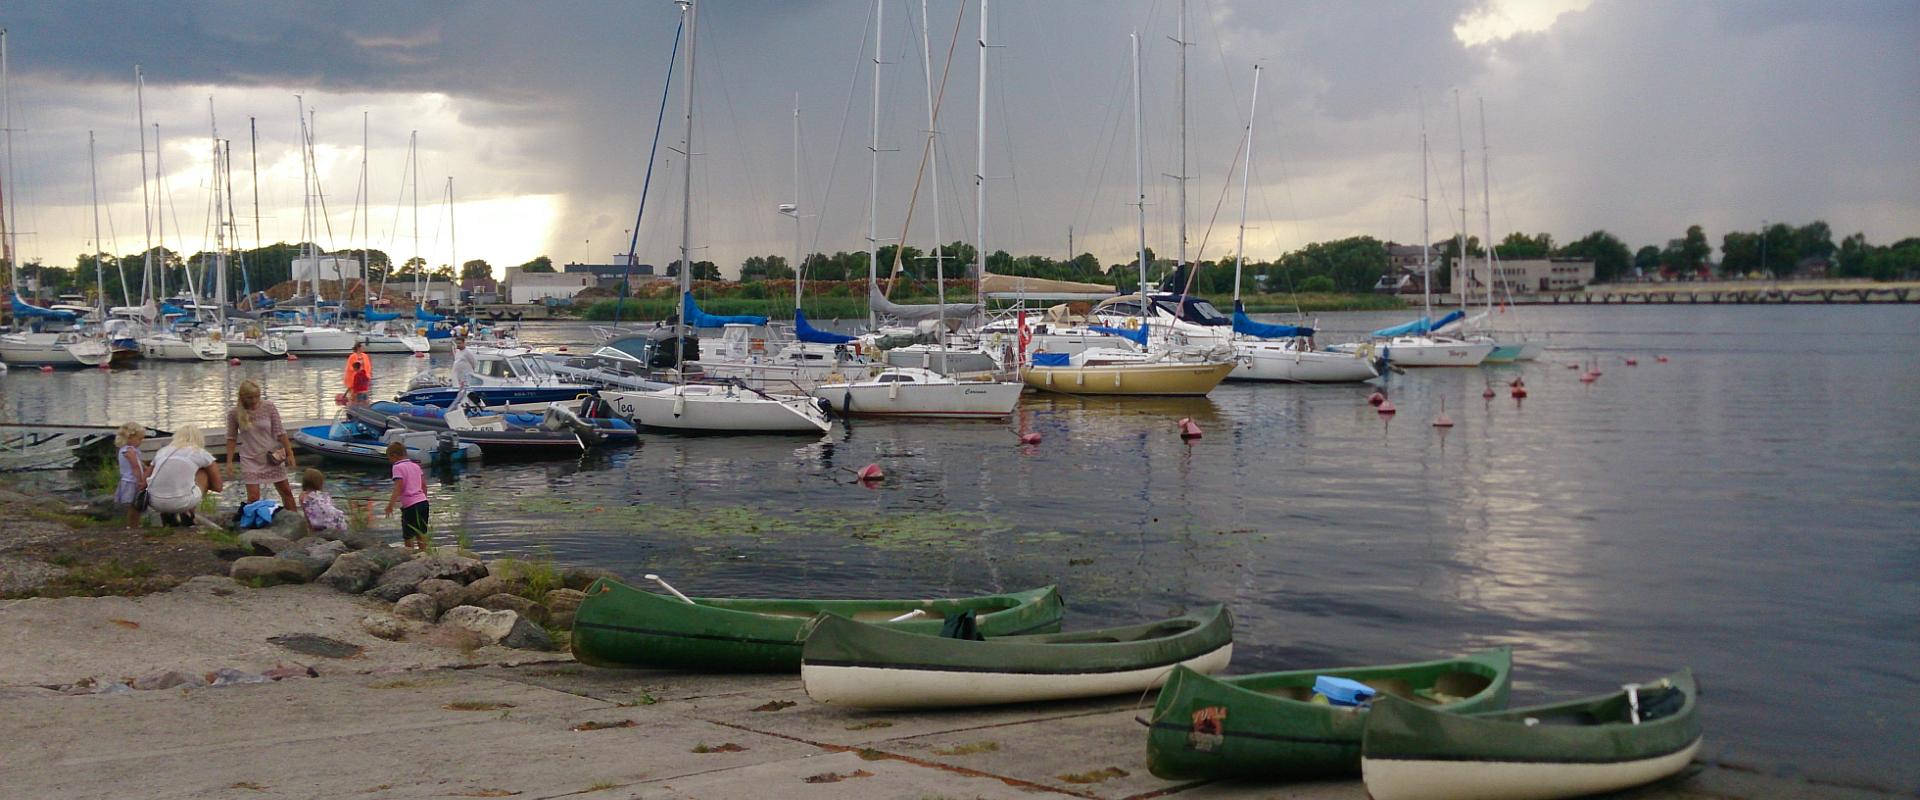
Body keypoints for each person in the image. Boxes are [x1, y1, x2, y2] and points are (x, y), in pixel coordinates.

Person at [226, 379, 297, 510]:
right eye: (250, 398)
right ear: (242, 397)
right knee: (253, 497)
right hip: (250, 458)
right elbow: (231, 438)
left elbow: (280, 431)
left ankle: (295, 518)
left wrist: (289, 453)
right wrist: (229, 462)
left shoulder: (268, 407)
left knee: (286, 491)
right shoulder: (234, 413)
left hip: (272, 456)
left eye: (257, 397)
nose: (254, 401)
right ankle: (254, 523)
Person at [147, 426, 223, 527]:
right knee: (203, 472)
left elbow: (144, 480)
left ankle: (168, 515)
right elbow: (218, 487)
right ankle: (188, 514)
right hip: (182, 502)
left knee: (170, 474)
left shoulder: (162, 452)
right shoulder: (199, 452)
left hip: (154, 502)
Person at [383, 441, 429, 551]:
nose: (390, 461)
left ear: (394, 456)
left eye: (389, 458)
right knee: (421, 532)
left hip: (410, 506)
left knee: (408, 535)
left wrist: (390, 505)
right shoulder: (415, 466)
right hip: (423, 503)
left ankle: (410, 556)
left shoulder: (397, 467)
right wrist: (424, 498)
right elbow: (424, 486)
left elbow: (398, 487)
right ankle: (425, 555)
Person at [113, 422, 147, 529]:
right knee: (134, 505)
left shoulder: (130, 450)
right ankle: (133, 524)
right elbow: (135, 466)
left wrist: (146, 468)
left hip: (131, 480)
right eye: (139, 439)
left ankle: (134, 524)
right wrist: (141, 480)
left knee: (135, 505)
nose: (141, 442)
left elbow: (140, 464)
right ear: (130, 438)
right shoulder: (129, 451)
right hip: (132, 481)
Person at [298, 468, 348, 536]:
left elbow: (307, 516)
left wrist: (310, 530)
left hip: (319, 523)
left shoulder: (302, 497)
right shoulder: (325, 495)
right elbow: (330, 506)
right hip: (336, 519)